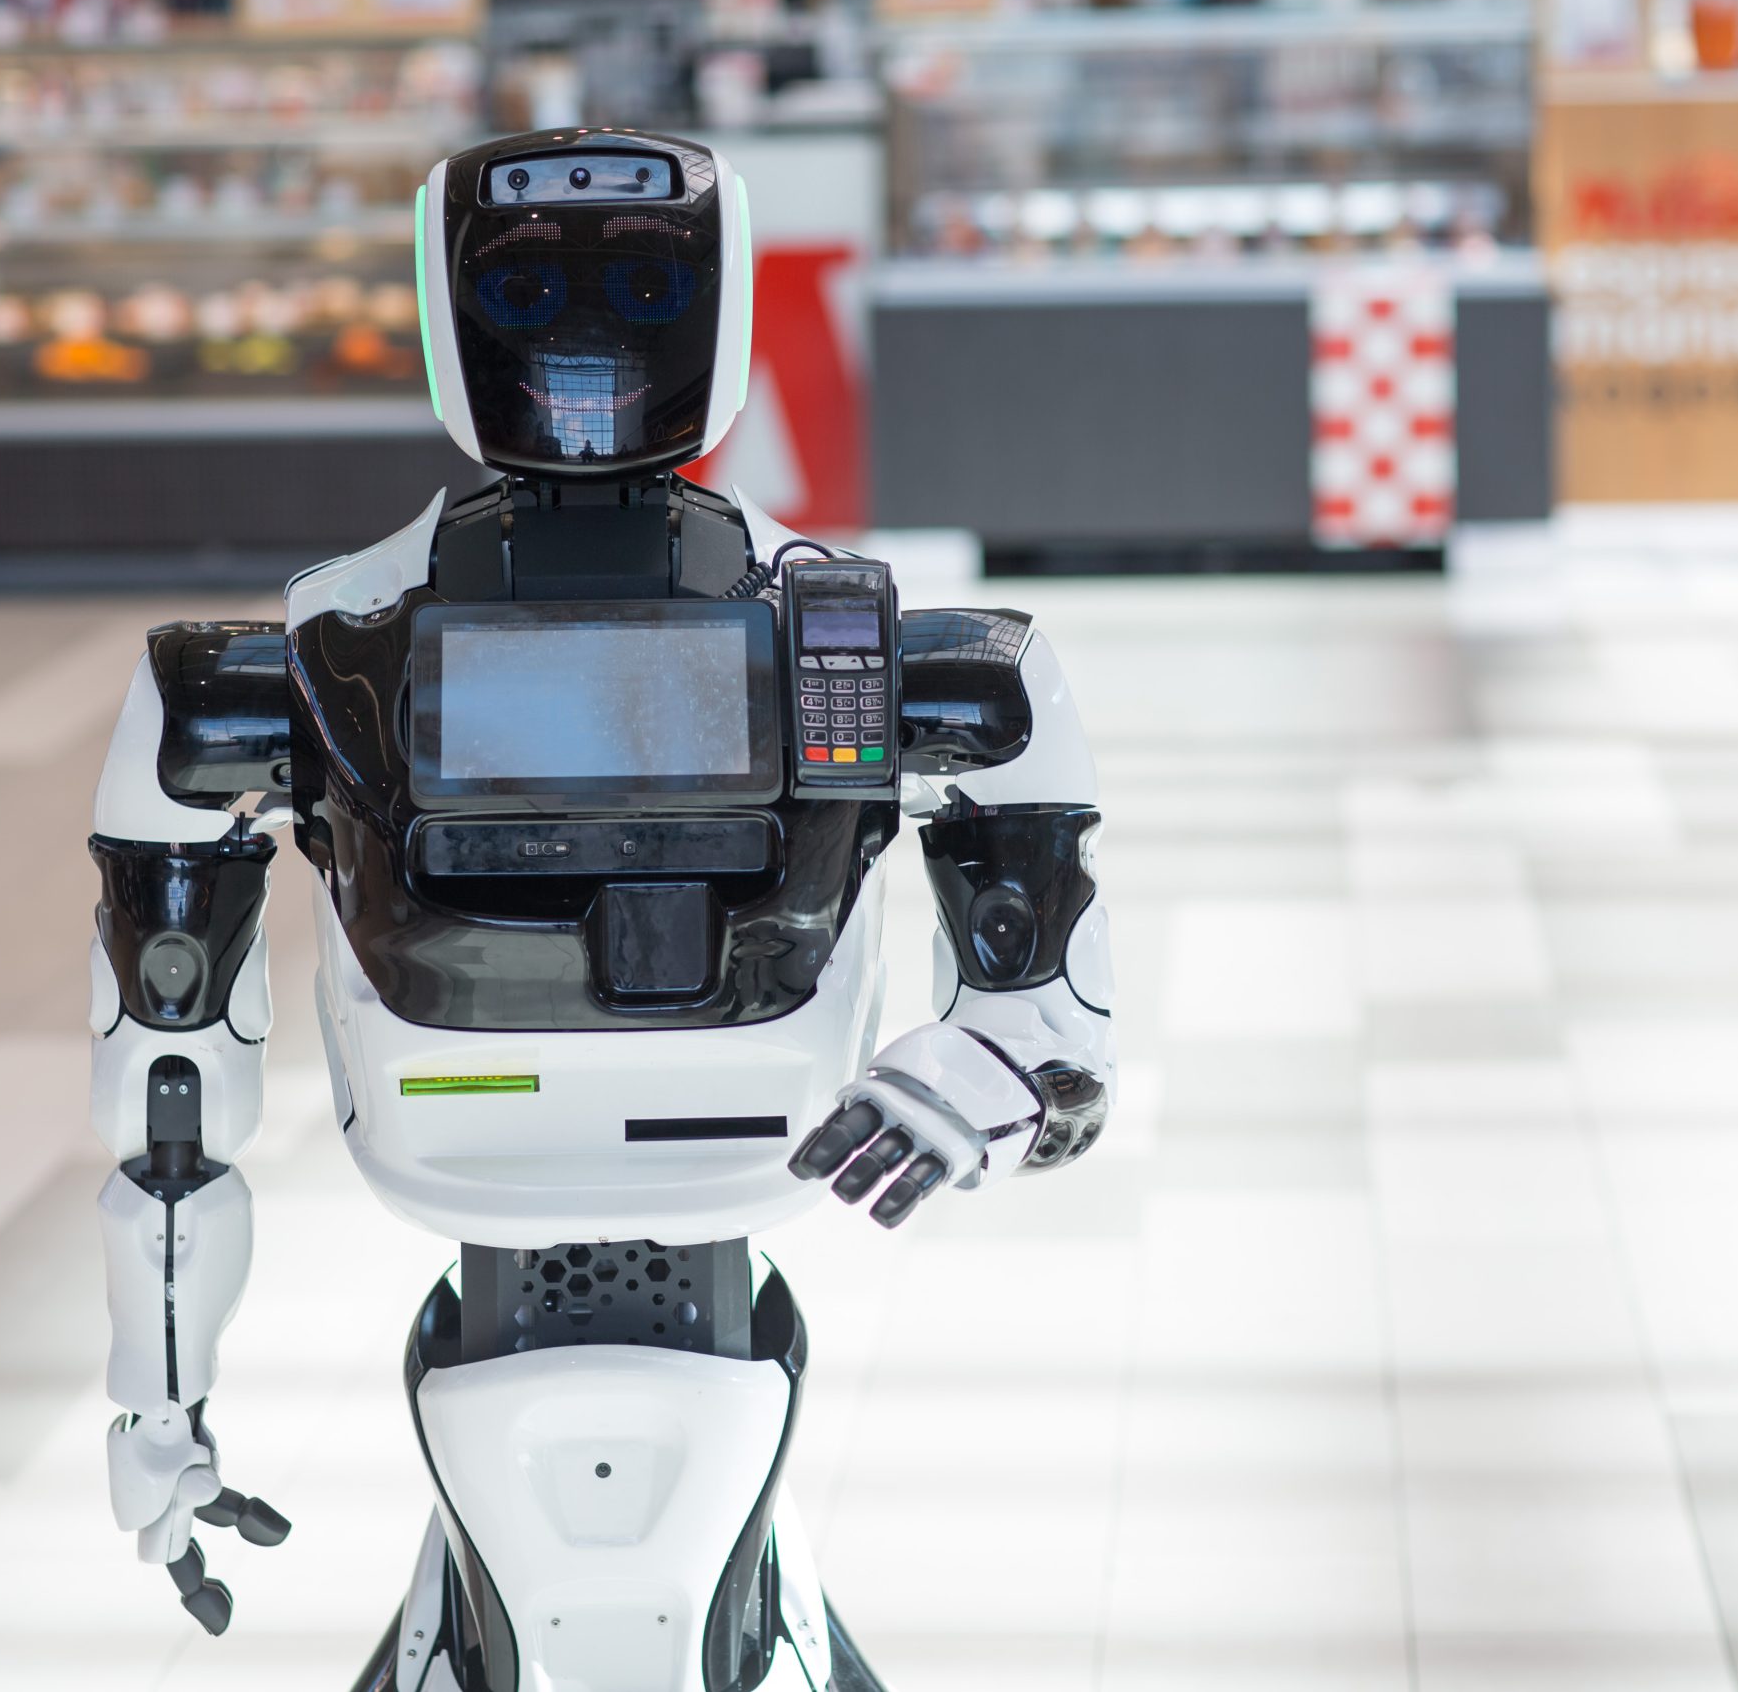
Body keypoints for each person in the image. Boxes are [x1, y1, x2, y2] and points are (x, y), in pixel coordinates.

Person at [81, 128, 1115, 1682]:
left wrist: (159, 1399)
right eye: (537, 294)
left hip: (485, 1132)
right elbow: (1061, 1017)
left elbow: (168, 1086)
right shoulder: (858, 633)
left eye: (632, 289)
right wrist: (1015, 1055)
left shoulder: (312, 647)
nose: (582, 343)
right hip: (719, 1144)